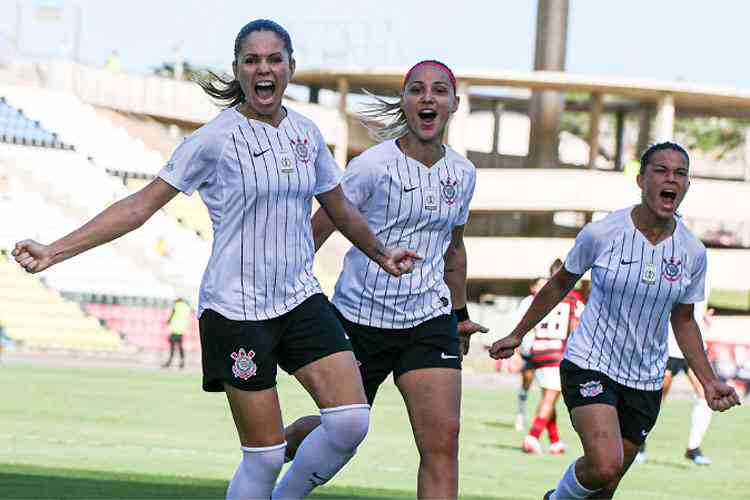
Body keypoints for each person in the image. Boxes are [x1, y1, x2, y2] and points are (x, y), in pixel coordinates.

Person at [12, 19, 420, 500]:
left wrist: (380, 252)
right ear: (238, 70)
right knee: (265, 456)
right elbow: (139, 206)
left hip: (300, 299)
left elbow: (339, 208)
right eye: (252, 60)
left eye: (273, 59)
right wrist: (54, 251)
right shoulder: (215, 138)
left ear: (291, 67)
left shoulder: (307, 134)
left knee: (351, 421)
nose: (263, 69)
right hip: (236, 311)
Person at [282, 60, 488, 499]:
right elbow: (317, 231)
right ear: (405, 102)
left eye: (438, 90)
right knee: (340, 432)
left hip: (429, 322)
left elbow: (454, 250)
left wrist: (460, 314)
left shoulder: (464, 174)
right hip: (359, 320)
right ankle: (277, 448)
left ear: (454, 103)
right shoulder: (371, 166)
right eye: (416, 90)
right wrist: (287, 298)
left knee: (442, 442)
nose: (427, 98)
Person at [490, 141, 741, 499]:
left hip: (646, 378)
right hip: (590, 363)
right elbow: (560, 283)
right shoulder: (602, 232)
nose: (671, 178)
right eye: (661, 171)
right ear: (641, 180)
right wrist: (518, 333)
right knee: (604, 462)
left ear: (686, 186)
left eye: (680, 173)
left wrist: (709, 380)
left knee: (605, 487)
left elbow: (684, 320)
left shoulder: (692, 252)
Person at [635, 298, 716, 466]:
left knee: (705, 395)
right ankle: (639, 443)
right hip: (669, 344)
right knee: (656, 397)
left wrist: (703, 315)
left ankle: (693, 448)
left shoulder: (706, 274)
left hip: (695, 345)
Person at [520, 267, 584, 455]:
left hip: (538, 351)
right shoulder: (574, 300)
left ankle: (555, 441)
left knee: (549, 397)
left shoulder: (545, 296)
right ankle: (532, 437)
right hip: (557, 352)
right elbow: (576, 327)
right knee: (550, 398)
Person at [162, 297, 192, 369]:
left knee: (172, 345)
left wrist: (167, 322)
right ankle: (182, 362)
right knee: (180, 346)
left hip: (175, 328)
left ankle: (169, 361)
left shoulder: (176, 306)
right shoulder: (187, 307)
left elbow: (172, 316)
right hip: (182, 328)